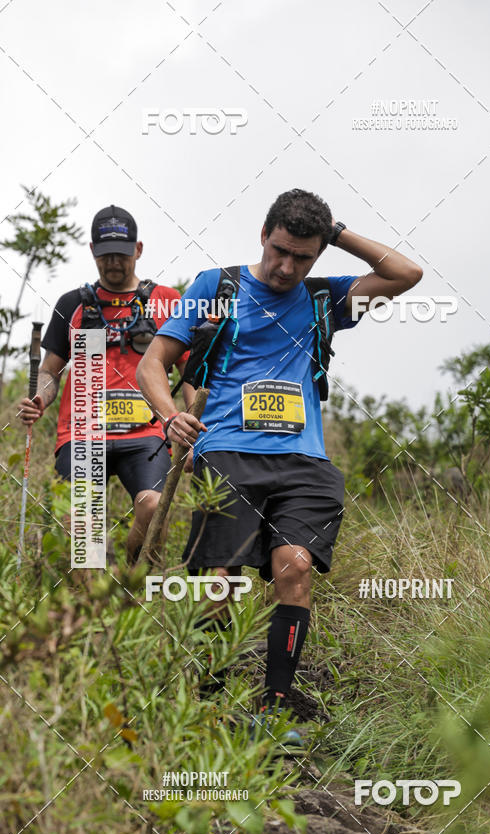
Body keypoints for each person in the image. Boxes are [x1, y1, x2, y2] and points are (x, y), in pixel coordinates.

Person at [137, 188, 422, 746]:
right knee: (218, 582)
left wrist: (336, 232)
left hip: (304, 461)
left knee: (294, 567)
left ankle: (275, 707)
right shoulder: (215, 286)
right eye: (280, 251)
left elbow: (405, 273)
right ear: (263, 236)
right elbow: (154, 363)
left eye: (303, 257)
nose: (287, 267)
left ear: (319, 254)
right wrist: (170, 417)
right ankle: (208, 704)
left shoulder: (324, 299)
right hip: (228, 451)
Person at [18, 205, 191, 565]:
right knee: (81, 526)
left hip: (145, 433)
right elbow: (50, 371)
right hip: (82, 433)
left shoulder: (166, 301)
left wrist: (194, 428)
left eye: (122, 254)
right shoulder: (72, 304)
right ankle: (95, 585)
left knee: (153, 507)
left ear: (138, 250)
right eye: (105, 254)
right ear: (93, 251)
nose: (113, 262)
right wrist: (40, 398)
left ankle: (131, 579)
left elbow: (191, 371)